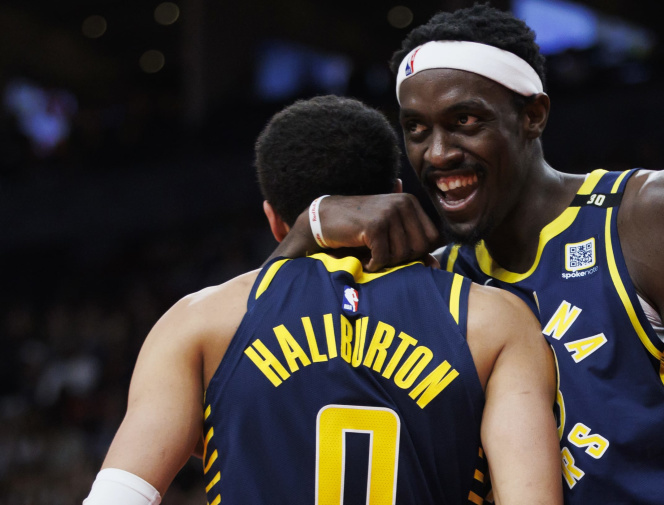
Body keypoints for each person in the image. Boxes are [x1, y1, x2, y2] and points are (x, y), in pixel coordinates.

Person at [270, 5, 664, 505]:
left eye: (465, 121)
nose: (437, 152)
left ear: (533, 115)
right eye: (416, 128)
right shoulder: (439, 279)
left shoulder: (654, 215)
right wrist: (309, 226)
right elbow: (257, 358)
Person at [82, 95, 561, 505]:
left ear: (273, 220)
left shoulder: (197, 321)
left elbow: (116, 497)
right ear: (395, 196)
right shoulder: (494, 320)